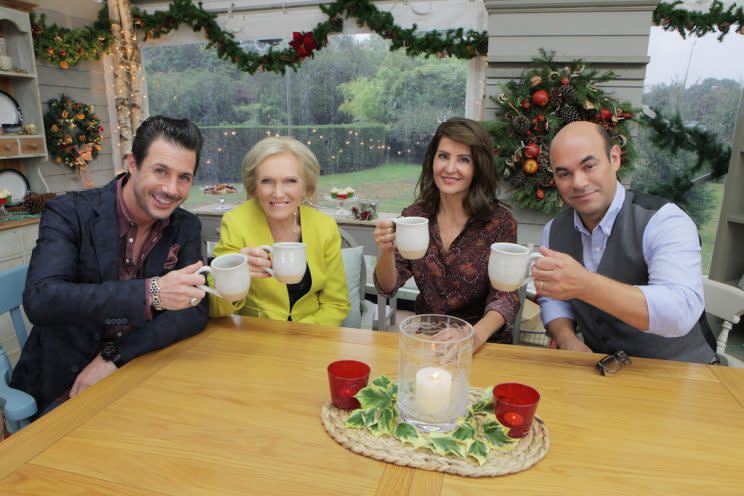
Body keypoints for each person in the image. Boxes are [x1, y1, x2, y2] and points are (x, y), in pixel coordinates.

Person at [11, 115, 210, 415]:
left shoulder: (186, 226)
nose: (171, 189)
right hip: (62, 385)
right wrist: (151, 293)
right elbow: (42, 298)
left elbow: (195, 309)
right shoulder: (69, 213)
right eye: (160, 171)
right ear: (132, 164)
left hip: (139, 368)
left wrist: (113, 357)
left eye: (184, 177)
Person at [534, 120, 716, 363]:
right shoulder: (554, 231)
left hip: (684, 375)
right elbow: (553, 296)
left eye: (589, 166)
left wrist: (585, 285)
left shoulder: (665, 220)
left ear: (615, 158)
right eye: (564, 173)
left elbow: (680, 312)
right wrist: (567, 337)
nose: (577, 182)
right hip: (601, 375)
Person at [374, 117, 520, 351]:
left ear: (478, 167)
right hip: (427, 339)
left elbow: (506, 296)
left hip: (482, 343)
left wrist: (473, 336)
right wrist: (386, 252)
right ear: (433, 159)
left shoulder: (500, 222)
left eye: (463, 159)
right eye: (443, 156)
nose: (450, 168)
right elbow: (387, 287)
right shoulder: (414, 217)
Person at [209, 136, 350, 325]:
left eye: (290, 181)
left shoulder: (324, 226)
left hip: (312, 335)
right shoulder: (236, 222)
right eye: (267, 181)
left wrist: (300, 336)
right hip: (256, 336)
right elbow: (214, 307)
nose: (278, 192)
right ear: (254, 186)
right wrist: (235, 276)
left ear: (306, 186)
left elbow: (336, 304)